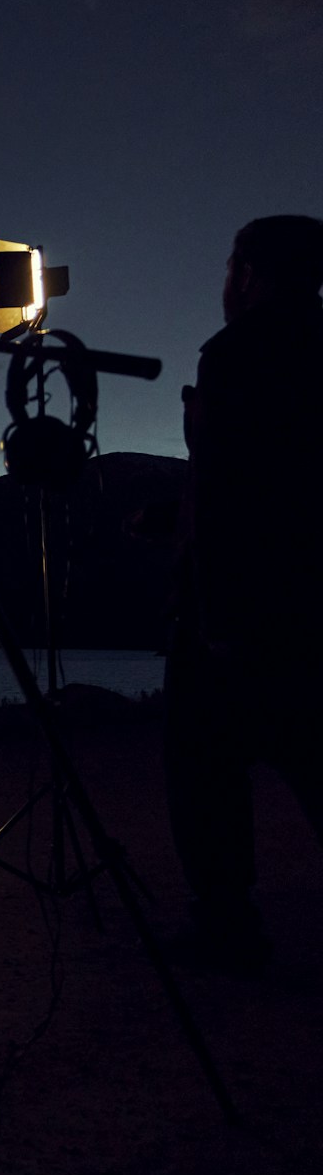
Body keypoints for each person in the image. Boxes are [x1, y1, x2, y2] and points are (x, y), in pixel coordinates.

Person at [166, 214, 323, 971]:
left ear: (251, 275)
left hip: (248, 604)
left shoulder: (238, 354)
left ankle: (227, 926)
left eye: (232, 269)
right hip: (307, 596)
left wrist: (218, 613)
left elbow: (235, 487)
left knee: (204, 766)